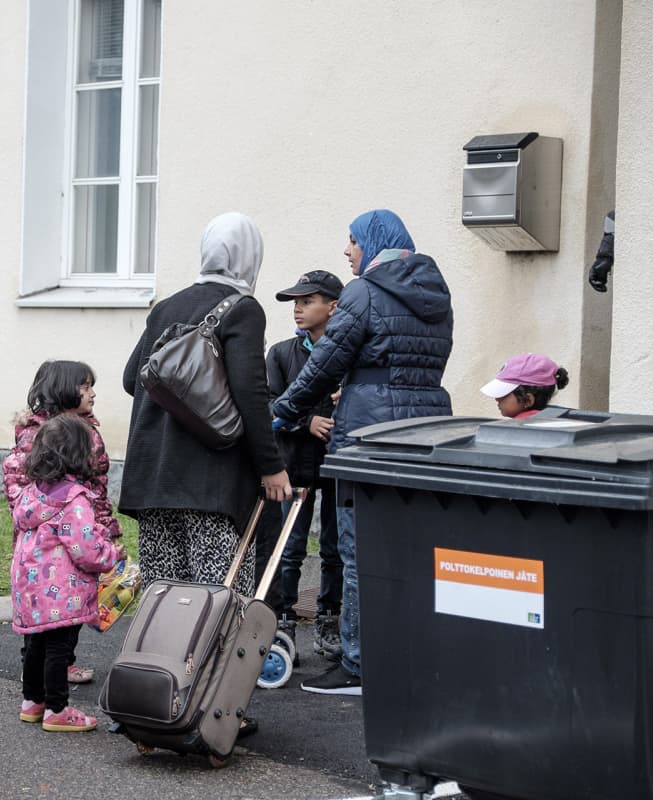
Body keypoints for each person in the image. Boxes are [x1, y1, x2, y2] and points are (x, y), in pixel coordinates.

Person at [273, 209, 454, 696]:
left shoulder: (364, 291)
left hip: (370, 433)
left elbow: (327, 362)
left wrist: (285, 408)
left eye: (352, 241)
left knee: (359, 551)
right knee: (410, 547)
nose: (347, 251)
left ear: (373, 243)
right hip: (425, 428)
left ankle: (357, 664)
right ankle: (407, 655)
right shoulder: (436, 293)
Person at [119, 212, 292, 610]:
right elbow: (251, 393)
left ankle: (163, 672)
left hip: (155, 484)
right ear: (250, 256)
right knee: (217, 606)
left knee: (164, 604)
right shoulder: (243, 309)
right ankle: (210, 676)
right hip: (211, 487)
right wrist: (271, 465)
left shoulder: (166, 308)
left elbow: (133, 379)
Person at [2, 360, 121, 686]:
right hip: (50, 536)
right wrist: (41, 517)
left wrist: (104, 525)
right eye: (86, 387)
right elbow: (21, 482)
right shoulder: (40, 434)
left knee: (71, 601)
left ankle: (61, 664)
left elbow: (96, 486)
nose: (93, 393)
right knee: (47, 603)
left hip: (82, 525)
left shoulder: (84, 429)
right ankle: (38, 670)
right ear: (64, 390)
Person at [12, 414, 125, 733]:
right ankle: (57, 709)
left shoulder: (32, 494)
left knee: (36, 644)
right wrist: (111, 554)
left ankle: (32, 702)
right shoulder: (73, 500)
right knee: (59, 649)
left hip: (31, 589)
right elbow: (87, 549)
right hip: (63, 592)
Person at [266, 270, 345, 661]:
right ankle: (282, 624)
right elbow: (268, 406)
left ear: (333, 306)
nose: (298, 309)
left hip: (336, 469)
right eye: (295, 302)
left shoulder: (351, 353)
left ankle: (329, 619)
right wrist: (305, 422)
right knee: (291, 548)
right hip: (294, 467)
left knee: (335, 549)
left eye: (307, 301)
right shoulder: (281, 354)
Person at [480, 353, 569, 419]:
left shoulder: (519, 428)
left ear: (528, 400)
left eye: (504, 394)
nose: (497, 398)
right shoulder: (550, 419)